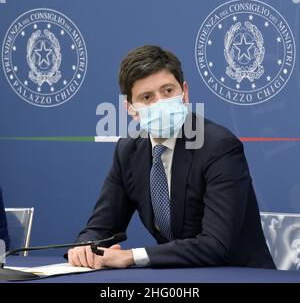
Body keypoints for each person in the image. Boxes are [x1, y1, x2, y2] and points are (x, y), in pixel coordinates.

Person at [68, 45, 275, 270]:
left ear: (184, 93)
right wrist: (86, 246)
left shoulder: (219, 147)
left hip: (238, 276)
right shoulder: (128, 151)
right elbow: (100, 227)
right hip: (177, 280)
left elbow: (215, 245)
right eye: (147, 97)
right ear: (131, 109)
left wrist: (130, 256)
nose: (160, 104)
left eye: (167, 91)